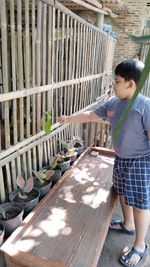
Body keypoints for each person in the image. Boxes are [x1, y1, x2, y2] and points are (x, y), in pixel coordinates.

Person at [58, 58, 150, 267]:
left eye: (116, 81)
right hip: (121, 159)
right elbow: (92, 115)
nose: (113, 85)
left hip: (141, 162)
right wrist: (68, 119)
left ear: (130, 84)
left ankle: (140, 246)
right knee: (123, 194)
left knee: (141, 204)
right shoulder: (113, 104)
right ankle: (128, 225)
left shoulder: (145, 106)